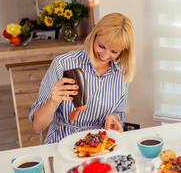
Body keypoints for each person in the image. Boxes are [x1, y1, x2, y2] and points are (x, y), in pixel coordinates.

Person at [29, 12, 135, 144]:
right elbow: (37, 126)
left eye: (114, 51)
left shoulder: (122, 72)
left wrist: (114, 117)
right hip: (63, 144)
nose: (105, 55)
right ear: (94, 36)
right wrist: (53, 101)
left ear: (123, 51)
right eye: (101, 46)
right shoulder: (63, 64)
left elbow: (118, 111)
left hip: (100, 146)